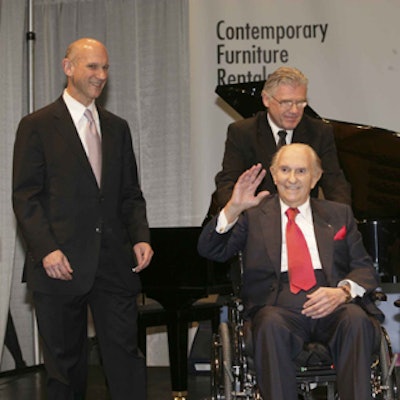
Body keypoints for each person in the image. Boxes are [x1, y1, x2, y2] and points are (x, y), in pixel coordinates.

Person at [12, 38, 153, 400]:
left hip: (113, 264)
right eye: (92, 67)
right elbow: (25, 197)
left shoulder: (118, 127)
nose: (101, 75)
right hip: (60, 264)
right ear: (68, 67)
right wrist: (47, 250)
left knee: (125, 360)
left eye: (105, 67)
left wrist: (140, 236)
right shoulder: (37, 125)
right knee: (65, 370)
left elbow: (130, 193)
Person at [198, 143, 383, 400]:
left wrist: (343, 292)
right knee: (269, 324)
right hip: (278, 307)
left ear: (315, 177)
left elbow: (364, 267)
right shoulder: (253, 216)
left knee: (356, 320)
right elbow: (210, 250)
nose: (292, 179)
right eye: (285, 170)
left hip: (332, 303)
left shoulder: (339, 214)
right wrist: (233, 208)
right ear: (274, 175)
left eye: (301, 171)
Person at [207, 66, 351, 218]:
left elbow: (335, 183)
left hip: (303, 222)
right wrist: (239, 213)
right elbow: (227, 184)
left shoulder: (319, 132)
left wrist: (342, 220)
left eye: (300, 103)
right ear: (266, 99)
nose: (294, 110)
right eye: (286, 102)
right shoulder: (242, 132)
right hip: (256, 222)